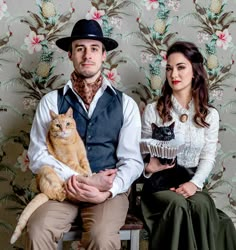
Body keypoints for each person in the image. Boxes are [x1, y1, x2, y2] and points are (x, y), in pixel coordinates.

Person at [26, 19, 143, 250]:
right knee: (37, 229)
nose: (87, 55)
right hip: (62, 188)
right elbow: (38, 155)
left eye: (94, 49)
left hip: (106, 194)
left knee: (101, 237)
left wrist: (108, 190)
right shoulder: (50, 101)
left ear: (103, 55)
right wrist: (80, 179)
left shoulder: (126, 104)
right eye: (80, 48)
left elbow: (132, 161)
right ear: (70, 55)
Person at [141, 41, 236, 250]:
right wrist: (149, 168)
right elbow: (143, 156)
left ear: (195, 71)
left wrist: (194, 184)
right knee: (178, 205)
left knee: (202, 204)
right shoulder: (153, 110)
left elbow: (208, 156)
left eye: (180, 67)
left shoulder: (210, 115)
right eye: (169, 68)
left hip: (191, 183)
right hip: (160, 186)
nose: (173, 73)